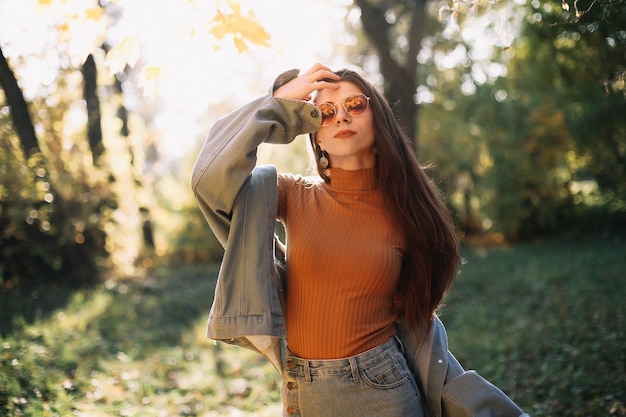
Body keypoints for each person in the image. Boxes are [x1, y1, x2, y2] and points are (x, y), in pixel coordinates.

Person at [191, 63, 528, 417]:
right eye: (324, 112)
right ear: (315, 135)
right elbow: (208, 178)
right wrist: (278, 103)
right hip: (305, 392)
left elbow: (419, 302)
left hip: (381, 389)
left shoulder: (406, 209)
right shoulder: (291, 195)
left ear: (377, 119)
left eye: (355, 105)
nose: (340, 118)